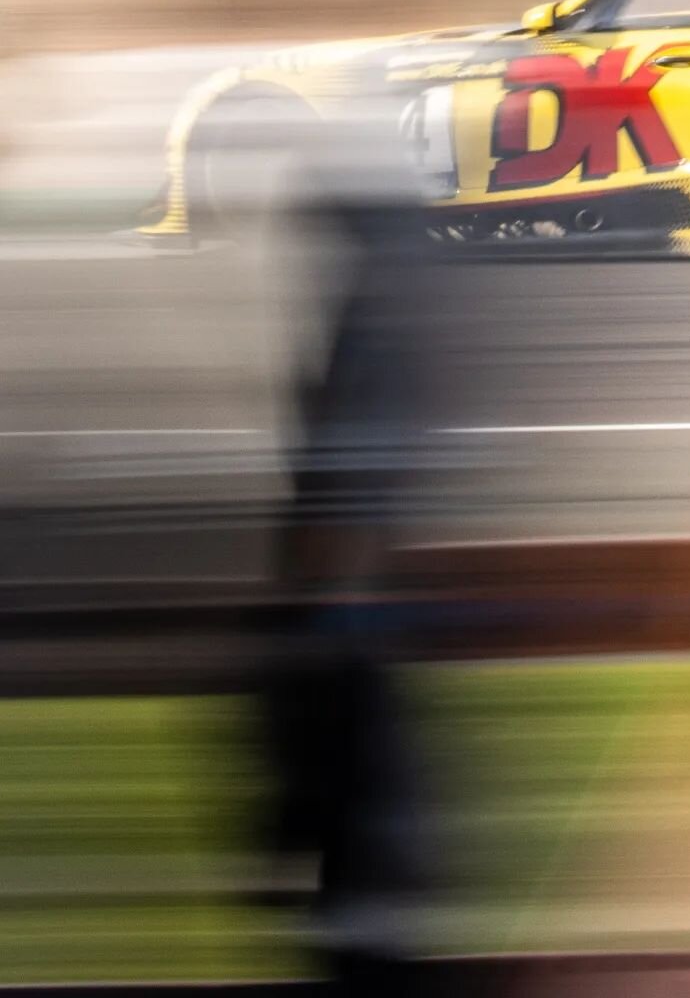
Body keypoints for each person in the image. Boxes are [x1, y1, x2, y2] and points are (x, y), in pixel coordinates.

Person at [257, 127, 440, 994]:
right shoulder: (383, 315)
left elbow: (346, 463)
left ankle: (357, 928)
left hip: (347, 602)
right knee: (362, 800)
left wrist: (323, 571)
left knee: (351, 793)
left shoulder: (371, 324)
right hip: (352, 600)